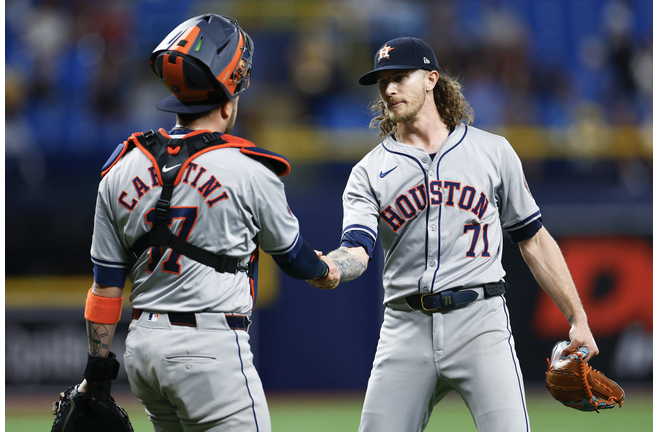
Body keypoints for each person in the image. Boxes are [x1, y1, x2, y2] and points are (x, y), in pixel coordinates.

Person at [309, 37, 598, 432]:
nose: (390, 89)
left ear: (431, 79)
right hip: (405, 329)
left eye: (400, 77)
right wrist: (332, 267)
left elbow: (533, 239)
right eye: (383, 82)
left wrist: (577, 317)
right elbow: (357, 249)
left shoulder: (493, 152)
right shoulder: (367, 172)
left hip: (481, 323)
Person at [77, 14, 335, 432]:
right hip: (208, 347)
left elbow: (105, 287)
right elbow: (294, 258)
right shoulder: (248, 169)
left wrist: (96, 376)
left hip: (142, 350)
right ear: (229, 101)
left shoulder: (122, 167)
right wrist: (328, 270)